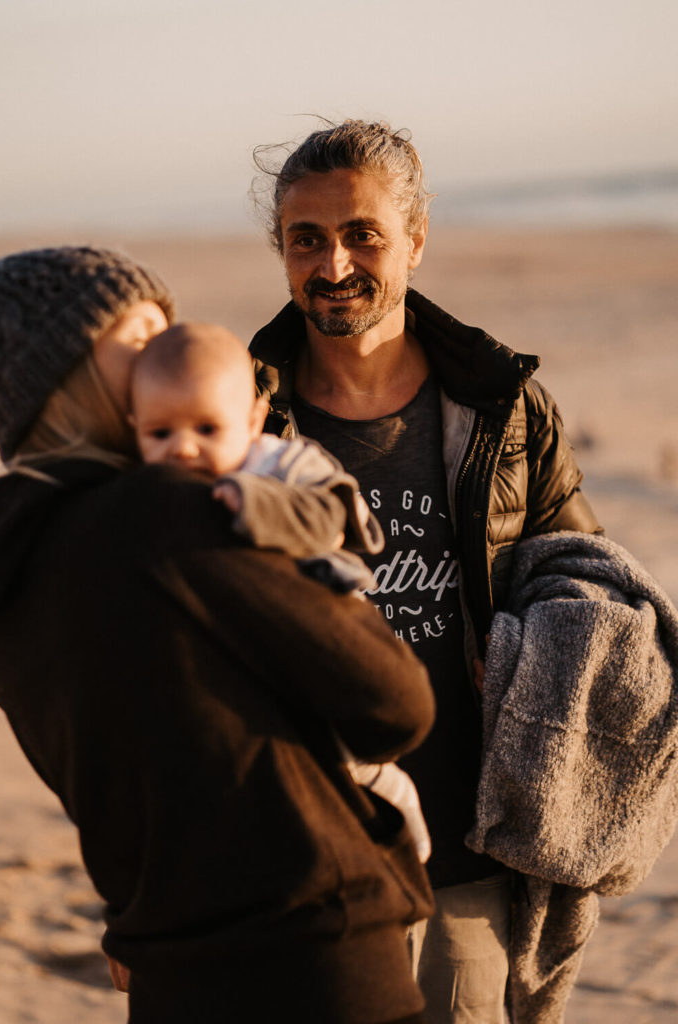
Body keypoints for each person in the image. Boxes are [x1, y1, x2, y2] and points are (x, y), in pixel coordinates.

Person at [0, 245, 437, 1024]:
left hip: (165, 967)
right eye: (138, 338)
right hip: (314, 954)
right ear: (61, 373)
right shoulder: (165, 515)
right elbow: (396, 703)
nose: (168, 351)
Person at [248, 119, 603, 1023]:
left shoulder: (504, 411)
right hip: (302, 850)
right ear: (281, 249)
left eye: (362, 234)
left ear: (415, 236)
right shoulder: (241, 422)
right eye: (307, 240)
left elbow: (588, 584)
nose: (333, 266)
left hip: (472, 844)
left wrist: (527, 658)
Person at [128, 320, 432, 861]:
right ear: (136, 430)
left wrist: (254, 504)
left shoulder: (276, 463)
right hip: (246, 651)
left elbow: (334, 515)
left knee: (342, 753)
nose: (183, 449)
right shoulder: (153, 491)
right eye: (160, 434)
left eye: (206, 429)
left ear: (250, 420)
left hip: (327, 623)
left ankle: (394, 799)